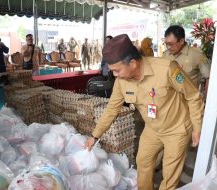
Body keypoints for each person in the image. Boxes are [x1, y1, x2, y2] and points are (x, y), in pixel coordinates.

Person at [85, 34, 204, 190]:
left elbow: (193, 96)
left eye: (117, 70)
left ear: (133, 63)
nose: (114, 75)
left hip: (176, 129)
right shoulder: (121, 82)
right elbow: (111, 109)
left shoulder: (167, 69)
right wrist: (95, 136)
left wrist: (197, 127)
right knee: (143, 163)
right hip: (152, 128)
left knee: (170, 173)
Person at [162, 25, 210, 97]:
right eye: (166, 44)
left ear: (181, 41)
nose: (168, 47)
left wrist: (208, 99)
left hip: (189, 101)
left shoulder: (197, 55)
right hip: (170, 101)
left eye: (171, 44)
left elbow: (208, 77)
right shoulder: (165, 55)